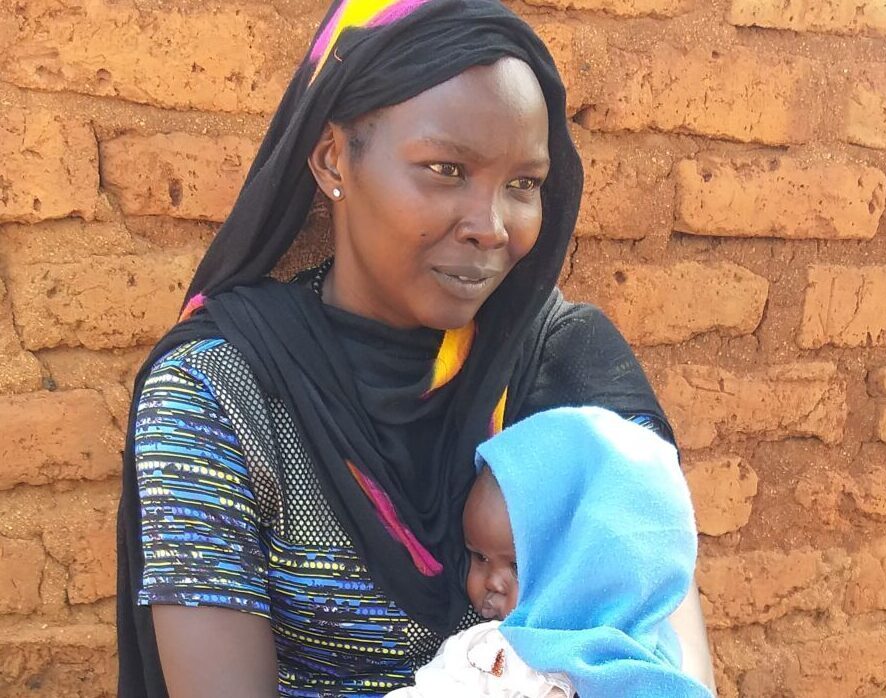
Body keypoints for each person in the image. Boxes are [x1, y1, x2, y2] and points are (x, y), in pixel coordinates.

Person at [116, 0, 716, 696]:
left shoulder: (565, 366)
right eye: (445, 169)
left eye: (522, 184)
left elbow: (665, 662)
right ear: (334, 159)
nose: (491, 227)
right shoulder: (220, 391)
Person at [385, 407, 711, 698]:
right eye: (478, 557)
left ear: (584, 569)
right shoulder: (486, 655)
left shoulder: (652, 671)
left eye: (516, 566)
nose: (491, 583)